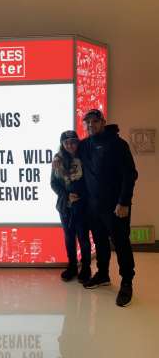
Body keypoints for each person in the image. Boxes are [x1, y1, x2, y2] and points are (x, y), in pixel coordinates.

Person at [78, 109, 138, 307]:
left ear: (103, 122)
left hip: (115, 207)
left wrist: (124, 202)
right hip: (94, 207)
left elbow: (130, 175)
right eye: (87, 123)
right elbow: (68, 151)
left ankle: (127, 281)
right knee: (100, 242)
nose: (90, 126)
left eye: (94, 122)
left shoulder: (118, 144)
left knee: (121, 244)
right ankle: (103, 274)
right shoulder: (85, 145)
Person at [51, 130, 91, 283]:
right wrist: (66, 195)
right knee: (69, 237)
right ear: (62, 144)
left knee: (83, 237)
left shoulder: (85, 157)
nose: (70, 145)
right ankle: (72, 267)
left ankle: (86, 267)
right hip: (65, 206)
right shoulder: (58, 160)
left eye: (73, 141)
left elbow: (91, 180)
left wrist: (81, 195)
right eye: (66, 142)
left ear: (78, 142)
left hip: (83, 205)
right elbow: (53, 183)